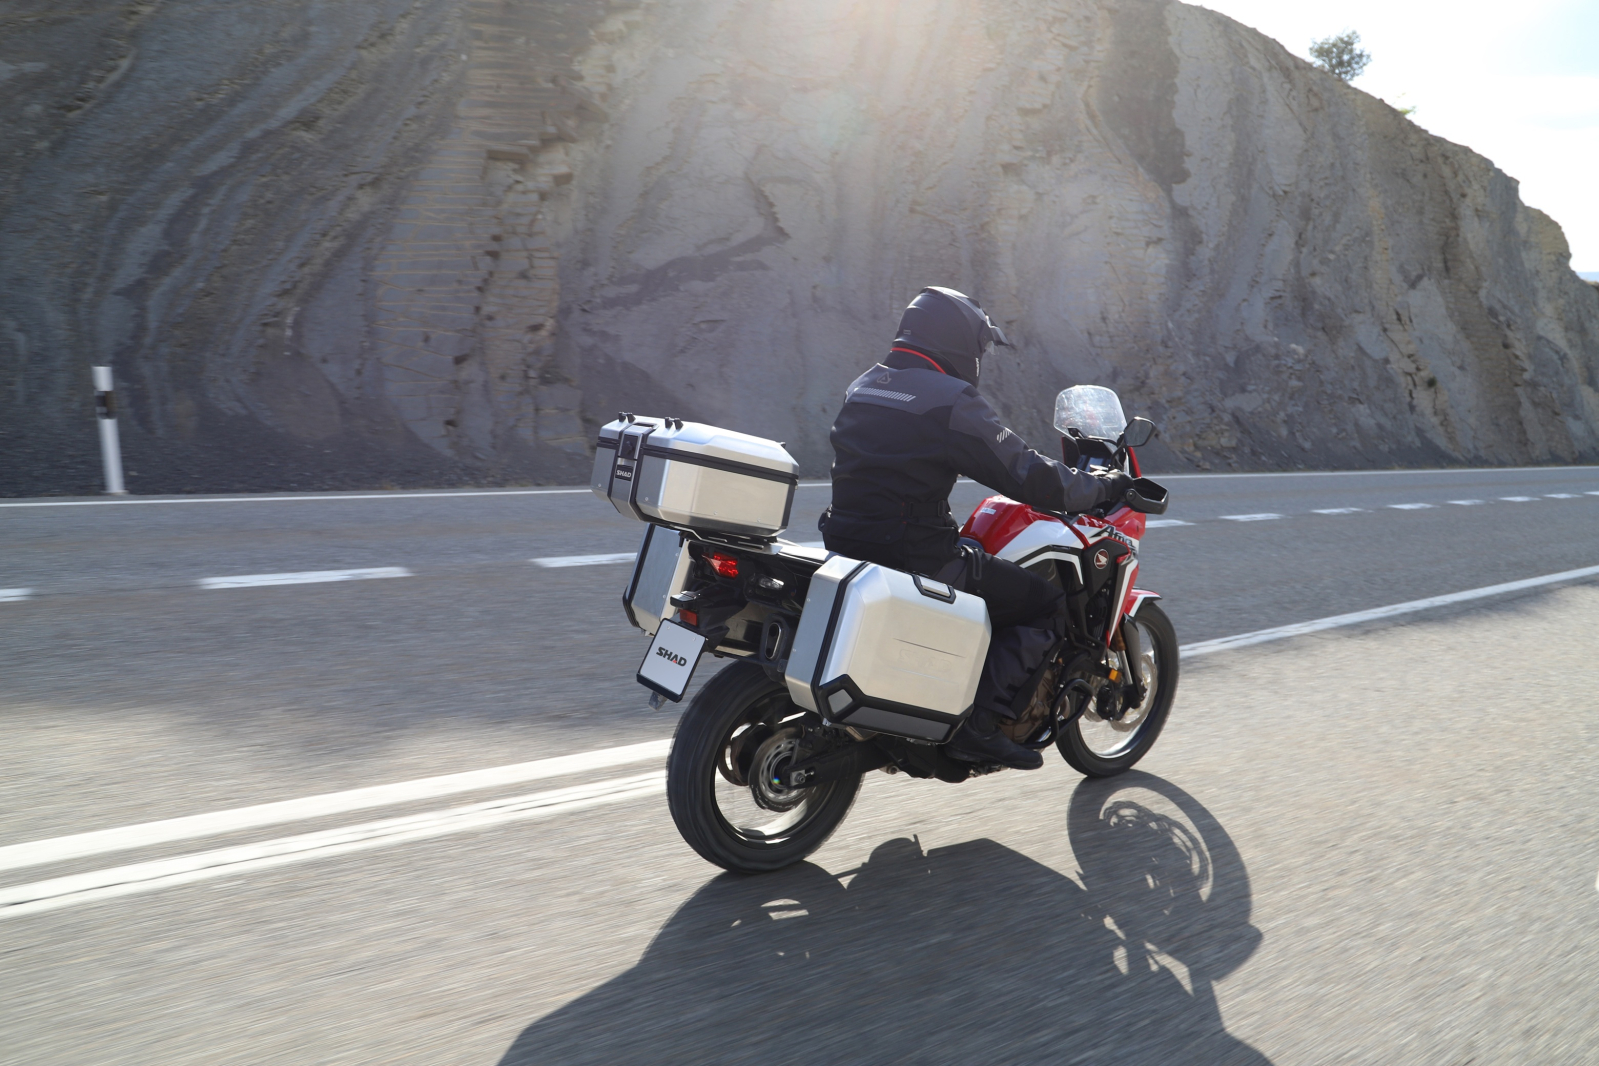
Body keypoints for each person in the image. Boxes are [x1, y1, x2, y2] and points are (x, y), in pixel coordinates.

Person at [820, 286, 1130, 770]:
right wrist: (1102, 487)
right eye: (980, 347)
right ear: (957, 341)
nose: (980, 358)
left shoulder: (864, 385)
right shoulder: (949, 400)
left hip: (845, 544)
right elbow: (1027, 474)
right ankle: (980, 727)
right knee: (1043, 604)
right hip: (916, 555)